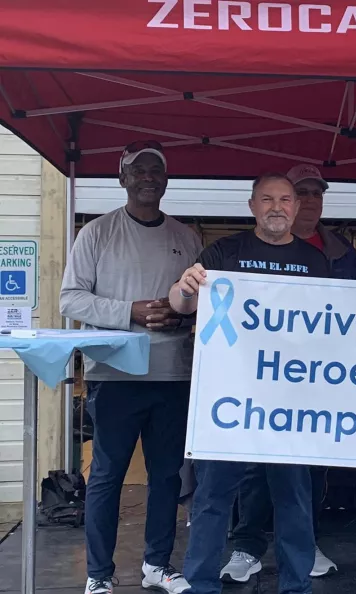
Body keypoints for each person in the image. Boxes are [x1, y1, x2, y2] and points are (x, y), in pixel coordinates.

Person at [171, 173, 333, 594]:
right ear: (251, 205)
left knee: (294, 498)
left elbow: (333, 327)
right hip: (229, 396)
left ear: (297, 208)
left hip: (290, 399)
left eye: (285, 199)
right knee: (212, 497)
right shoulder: (224, 251)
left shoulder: (316, 262)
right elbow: (183, 304)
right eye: (267, 199)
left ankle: (296, 585)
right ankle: (201, 584)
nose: (276, 207)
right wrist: (185, 289)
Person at [60, 141, 202, 594]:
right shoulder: (96, 233)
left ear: (166, 180)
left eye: (156, 170)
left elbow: (201, 302)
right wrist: (131, 312)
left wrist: (180, 315)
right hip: (115, 377)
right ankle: (99, 575)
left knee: (166, 476)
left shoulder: (186, 237)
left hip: (173, 375)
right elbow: (71, 299)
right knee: (107, 476)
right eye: (138, 170)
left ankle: (157, 565)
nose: (148, 177)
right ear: (122, 178)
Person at [219, 164, 356, 583]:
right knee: (253, 467)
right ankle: (247, 546)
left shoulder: (340, 253)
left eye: (313, 194)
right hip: (252, 377)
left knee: (307, 468)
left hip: (312, 380)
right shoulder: (246, 247)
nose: (307, 202)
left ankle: (304, 544)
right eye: (299, 192)